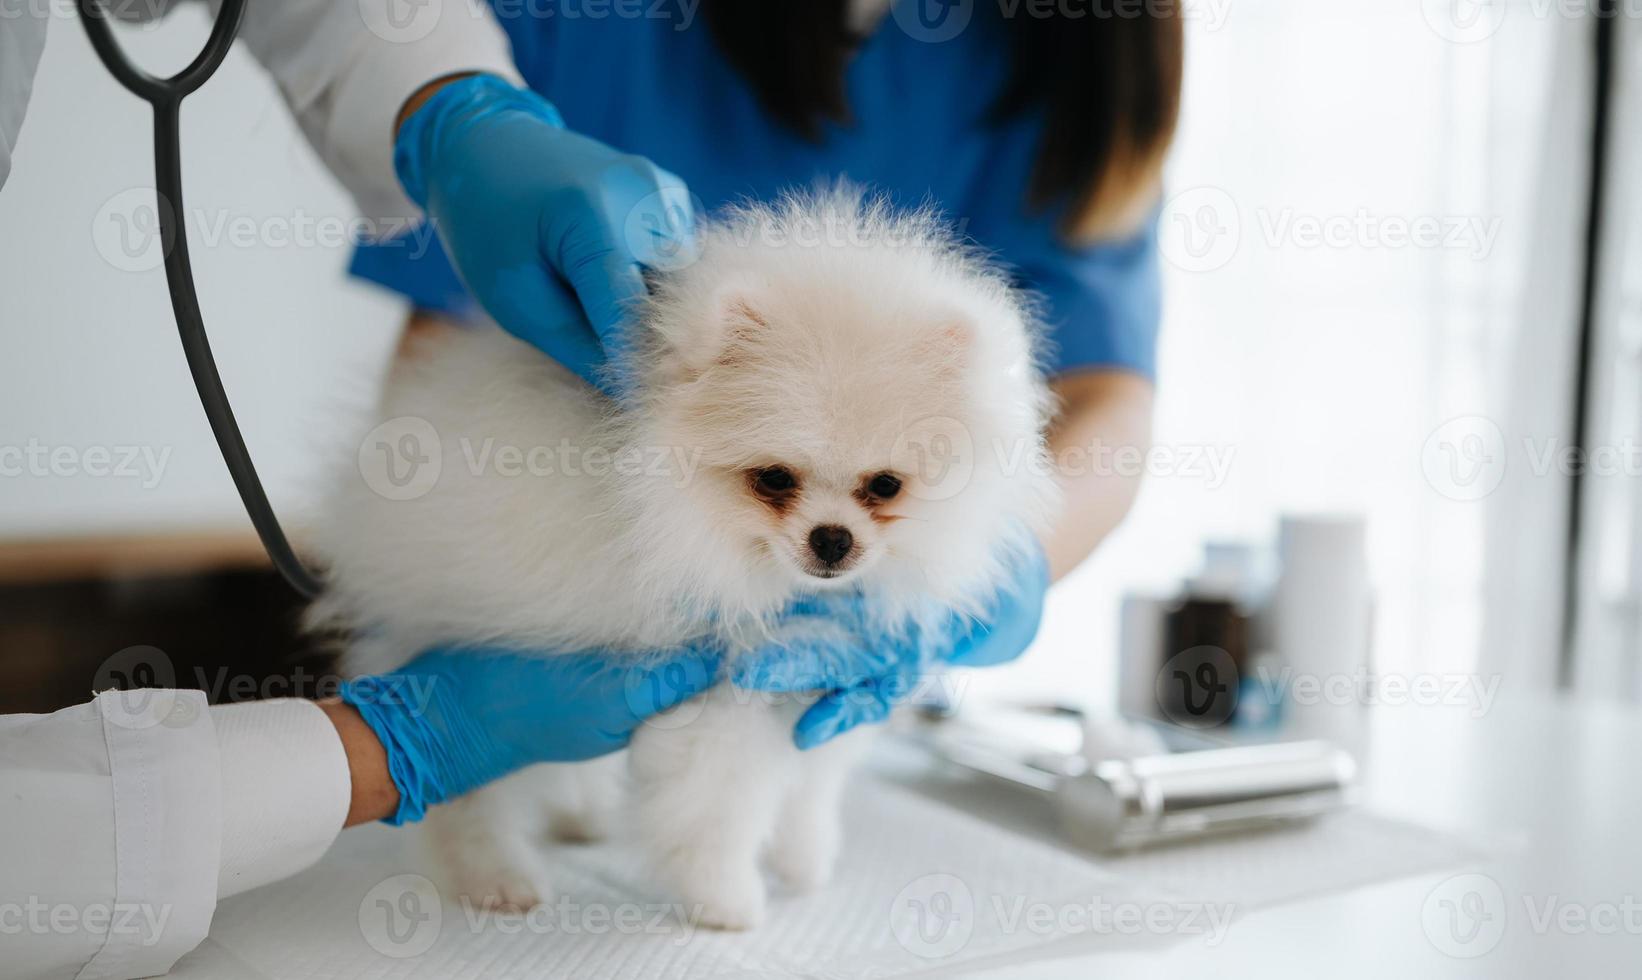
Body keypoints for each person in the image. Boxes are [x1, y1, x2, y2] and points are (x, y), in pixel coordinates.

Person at [1, 0, 1179, 976]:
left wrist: (1010, 561)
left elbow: (1108, 389)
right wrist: (463, 123)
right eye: (781, 483)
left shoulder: (1083, 43)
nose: (832, 528)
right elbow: (452, 369)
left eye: (878, 490)